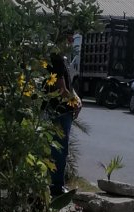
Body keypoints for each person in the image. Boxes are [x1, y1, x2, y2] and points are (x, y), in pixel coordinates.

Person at [47, 38, 81, 196]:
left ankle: (55, 184)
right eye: (67, 39)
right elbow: (61, 88)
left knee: (58, 149)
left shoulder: (61, 59)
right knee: (59, 150)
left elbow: (68, 86)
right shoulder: (56, 59)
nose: (70, 43)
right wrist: (75, 103)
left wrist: (76, 99)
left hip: (60, 110)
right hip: (59, 110)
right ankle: (56, 186)